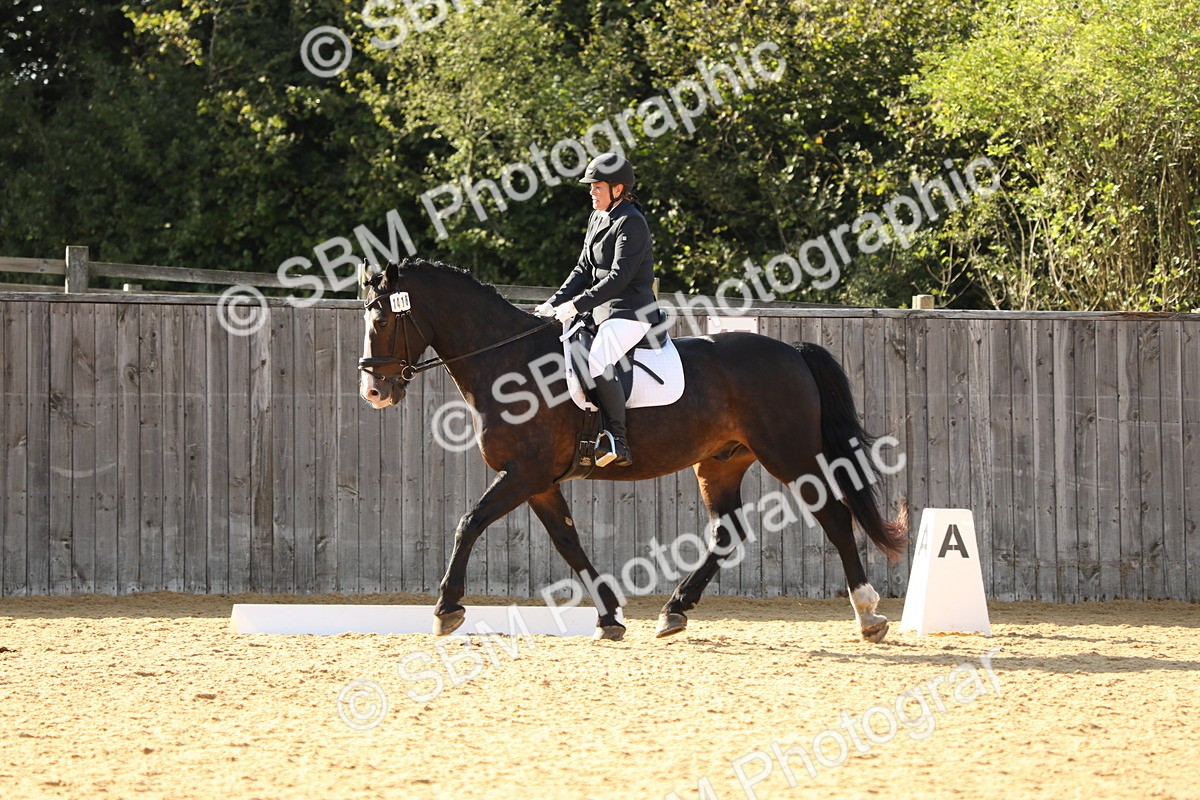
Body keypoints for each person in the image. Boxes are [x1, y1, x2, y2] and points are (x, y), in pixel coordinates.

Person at [534, 152, 658, 468]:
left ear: (618, 189)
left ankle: (618, 439)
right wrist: (553, 303)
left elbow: (619, 278)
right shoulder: (598, 217)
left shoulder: (632, 222)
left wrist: (576, 305)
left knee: (599, 357)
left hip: (631, 311)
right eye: (591, 187)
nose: (591, 192)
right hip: (600, 310)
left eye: (597, 187)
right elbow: (583, 269)